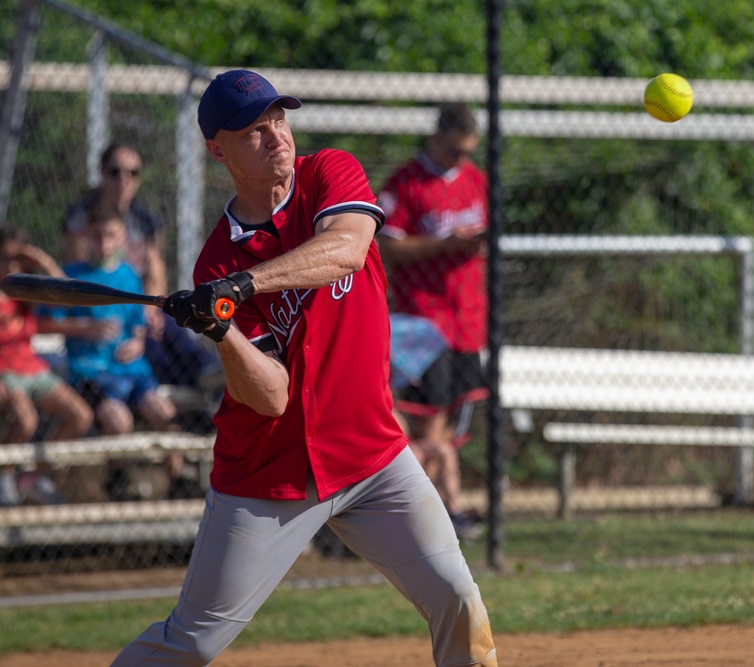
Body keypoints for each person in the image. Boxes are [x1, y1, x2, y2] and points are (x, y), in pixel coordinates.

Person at [112, 69, 496, 667]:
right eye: (253, 131)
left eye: (278, 120)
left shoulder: (328, 174)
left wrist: (242, 286)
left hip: (373, 456)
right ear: (218, 150)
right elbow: (269, 397)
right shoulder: (217, 257)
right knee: (193, 640)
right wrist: (220, 327)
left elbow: (346, 248)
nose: (275, 137)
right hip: (270, 477)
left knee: (455, 596)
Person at [375, 103, 490, 542]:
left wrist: (471, 245)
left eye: (468, 151)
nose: (462, 160)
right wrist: (442, 244)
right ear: (437, 137)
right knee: (427, 424)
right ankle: (421, 512)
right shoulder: (406, 182)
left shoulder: (476, 180)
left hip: (468, 320)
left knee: (445, 426)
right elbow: (389, 246)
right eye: (455, 150)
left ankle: (442, 511)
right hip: (423, 324)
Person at [39, 210, 200, 501]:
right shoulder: (73, 276)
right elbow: (44, 322)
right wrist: (83, 327)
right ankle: (118, 479)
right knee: (118, 420)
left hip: (131, 370)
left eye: (110, 235)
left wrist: (137, 343)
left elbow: (137, 323)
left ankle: (178, 477)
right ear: (86, 238)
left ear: (122, 239)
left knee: (163, 412)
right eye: (97, 235)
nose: (103, 242)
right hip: (91, 371)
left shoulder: (127, 275)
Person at [62, 141, 223, 395]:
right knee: (147, 340)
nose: (124, 179)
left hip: (140, 300)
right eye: (115, 172)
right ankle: (191, 391)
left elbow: (155, 268)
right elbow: (80, 270)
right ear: (102, 173)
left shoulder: (144, 219)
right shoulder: (82, 216)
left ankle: (208, 371)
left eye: (132, 173)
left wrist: (153, 307)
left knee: (172, 320)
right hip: (105, 304)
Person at [0, 227, 94, 506]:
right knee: (26, 420)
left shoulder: (22, 292)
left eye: (18, 260)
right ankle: (3, 474)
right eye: (6, 259)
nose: (13, 267)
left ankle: (34, 476)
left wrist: (38, 259)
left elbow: (63, 289)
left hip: (31, 368)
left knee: (80, 416)